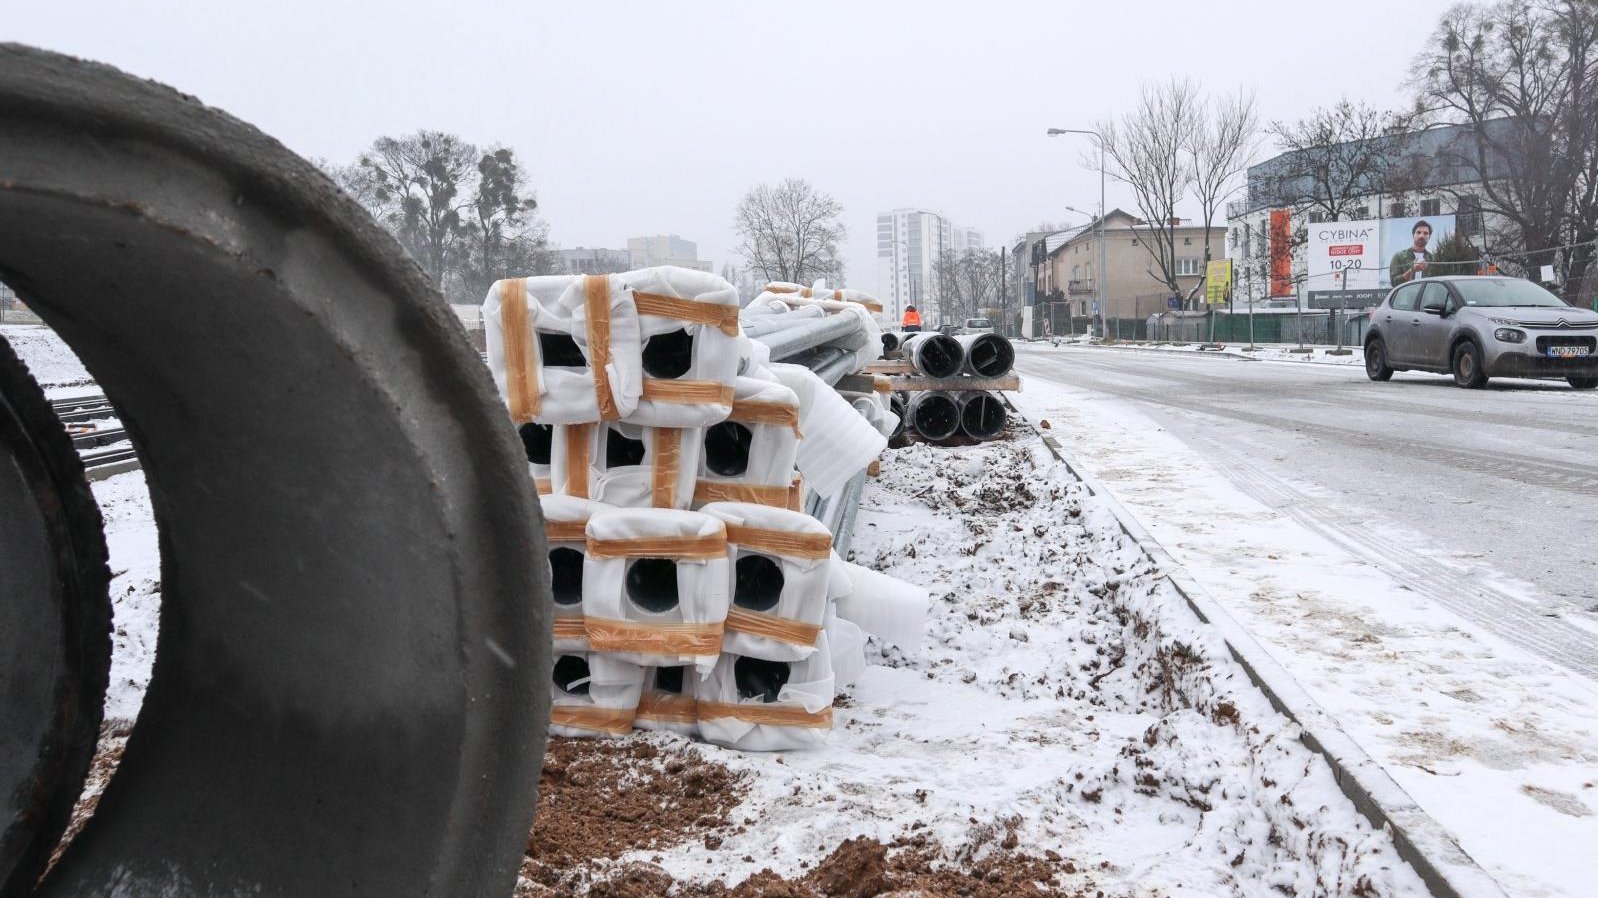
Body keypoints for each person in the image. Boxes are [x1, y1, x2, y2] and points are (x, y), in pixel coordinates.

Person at [1389, 220, 1433, 285]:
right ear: (1413, 235)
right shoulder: (1399, 256)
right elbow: (1394, 283)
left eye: (1425, 233)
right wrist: (1412, 270)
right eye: (1418, 232)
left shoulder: (1432, 259)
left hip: (1426, 295)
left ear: (1429, 237)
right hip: (1405, 295)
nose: (1421, 236)